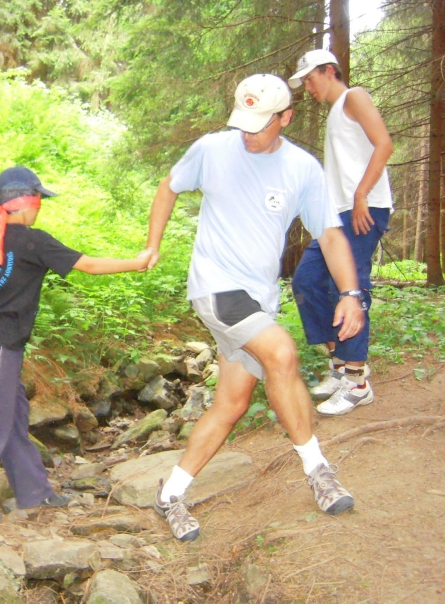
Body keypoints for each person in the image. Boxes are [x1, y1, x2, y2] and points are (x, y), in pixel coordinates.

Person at [144, 73, 365, 542]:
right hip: (215, 287)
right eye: (242, 123)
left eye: (259, 124)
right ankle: (318, 471)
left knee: (232, 403)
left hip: (258, 298)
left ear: (286, 118)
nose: (247, 134)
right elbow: (169, 187)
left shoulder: (302, 169)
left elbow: (330, 236)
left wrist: (350, 294)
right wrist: (152, 245)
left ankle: (169, 494)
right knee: (281, 353)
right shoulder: (211, 149)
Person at [0, 166, 151, 526]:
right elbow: (89, 265)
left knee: (13, 414)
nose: (40, 208)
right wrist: (137, 263)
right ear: (26, 202)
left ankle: (34, 491)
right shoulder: (32, 241)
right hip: (1, 343)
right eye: (39, 200)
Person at [288, 50, 393, 416]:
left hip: (362, 208)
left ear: (330, 70)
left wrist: (362, 195)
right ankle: (340, 366)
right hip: (336, 216)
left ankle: (357, 383)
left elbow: (384, 143)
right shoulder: (335, 111)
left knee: (350, 288)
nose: (307, 87)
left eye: (310, 78)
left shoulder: (354, 97)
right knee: (306, 281)